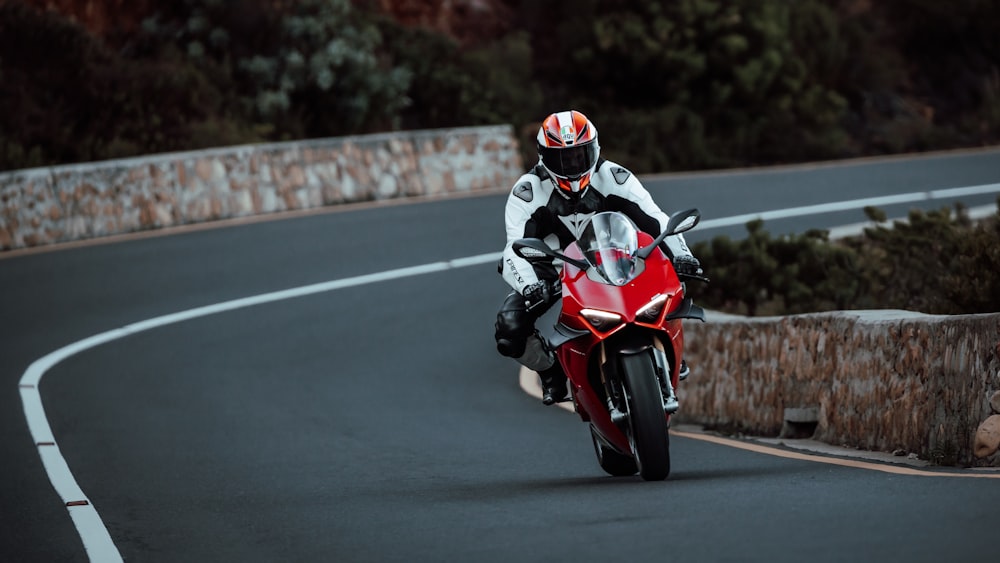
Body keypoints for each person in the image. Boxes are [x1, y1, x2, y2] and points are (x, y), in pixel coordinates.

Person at [494, 109, 703, 405]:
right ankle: (552, 372)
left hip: (617, 254)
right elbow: (514, 248)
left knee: (674, 278)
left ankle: (669, 348)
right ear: (543, 158)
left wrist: (683, 255)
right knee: (509, 327)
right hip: (554, 267)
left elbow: (656, 219)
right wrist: (530, 285)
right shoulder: (526, 193)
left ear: (596, 149)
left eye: (580, 155)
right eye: (562, 159)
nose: (572, 166)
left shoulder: (615, 177)